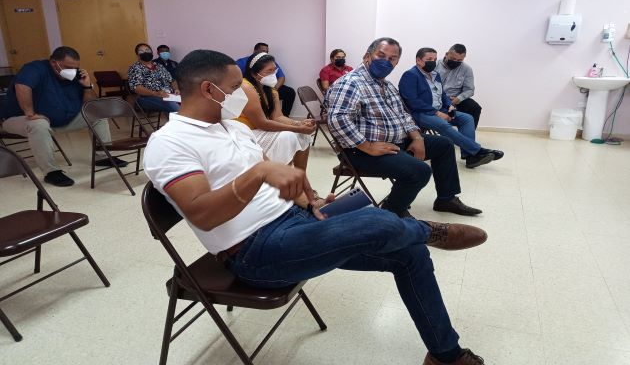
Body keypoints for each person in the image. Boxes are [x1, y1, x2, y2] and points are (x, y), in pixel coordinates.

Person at [143, 49, 487, 365]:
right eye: (236, 86)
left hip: (295, 222)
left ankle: (446, 355)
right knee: (381, 223)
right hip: (255, 252)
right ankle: (430, 231)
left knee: (410, 254)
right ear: (207, 89)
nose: (243, 92)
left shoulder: (231, 128)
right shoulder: (170, 143)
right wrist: (260, 171)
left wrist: (313, 201)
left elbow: (273, 184)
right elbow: (202, 214)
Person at [327, 38, 482, 218]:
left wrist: (416, 138)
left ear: (397, 62)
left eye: (392, 58)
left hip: (394, 142)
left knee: (444, 145)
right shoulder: (351, 82)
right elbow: (337, 119)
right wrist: (367, 146)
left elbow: (403, 115)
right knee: (420, 171)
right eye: (381, 55)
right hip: (361, 150)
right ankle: (392, 211)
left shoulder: (385, 84)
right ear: (367, 56)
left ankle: (446, 199)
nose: (386, 61)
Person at [0, 46, 125, 187]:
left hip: (60, 120)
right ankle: (51, 172)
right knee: (38, 124)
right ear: (54, 62)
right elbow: (22, 85)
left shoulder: (74, 75)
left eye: (75, 67)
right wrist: (30, 113)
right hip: (19, 119)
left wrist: (87, 86)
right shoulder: (35, 69)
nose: (72, 71)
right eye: (68, 67)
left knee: (97, 114)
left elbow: (91, 105)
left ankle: (102, 156)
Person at [398, 47, 502, 169]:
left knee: (467, 118)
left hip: (440, 109)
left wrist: (450, 105)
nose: (433, 61)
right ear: (419, 60)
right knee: (443, 125)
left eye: (435, 59)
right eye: (429, 59)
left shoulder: (435, 74)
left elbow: (442, 94)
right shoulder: (410, 75)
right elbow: (412, 101)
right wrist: (437, 113)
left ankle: (470, 157)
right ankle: (477, 151)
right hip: (421, 113)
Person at [236, 52, 315, 170]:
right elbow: (261, 123)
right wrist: (297, 128)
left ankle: (300, 179)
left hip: (259, 129)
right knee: (287, 137)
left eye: (274, 70)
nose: (273, 75)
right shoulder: (246, 87)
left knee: (303, 135)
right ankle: (286, 182)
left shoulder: (271, 90)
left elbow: (277, 117)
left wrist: (300, 124)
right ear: (254, 74)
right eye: (268, 71)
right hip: (244, 133)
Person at [236, 43, 295, 116]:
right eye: (262, 51)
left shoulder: (271, 63)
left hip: (267, 87)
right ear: (255, 51)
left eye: (266, 52)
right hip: (252, 88)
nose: (265, 54)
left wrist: (274, 88)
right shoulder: (241, 62)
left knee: (289, 92)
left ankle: (286, 115)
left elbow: (282, 77)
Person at [436, 44, 483, 129]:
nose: (455, 62)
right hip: (436, 97)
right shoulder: (435, 65)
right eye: (453, 59)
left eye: (459, 60)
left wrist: (459, 98)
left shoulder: (466, 69)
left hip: (456, 98)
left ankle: (467, 138)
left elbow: (470, 89)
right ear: (446, 54)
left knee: (475, 108)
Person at [128, 43, 180, 113]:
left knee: (188, 103)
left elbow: (172, 80)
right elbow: (137, 88)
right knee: (172, 105)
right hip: (147, 97)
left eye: (147, 50)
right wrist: (155, 93)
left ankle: (175, 122)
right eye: (141, 51)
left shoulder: (159, 66)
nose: (145, 52)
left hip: (167, 95)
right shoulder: (135, 68)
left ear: (151, 52)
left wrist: (176, 89)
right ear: (138, 55)